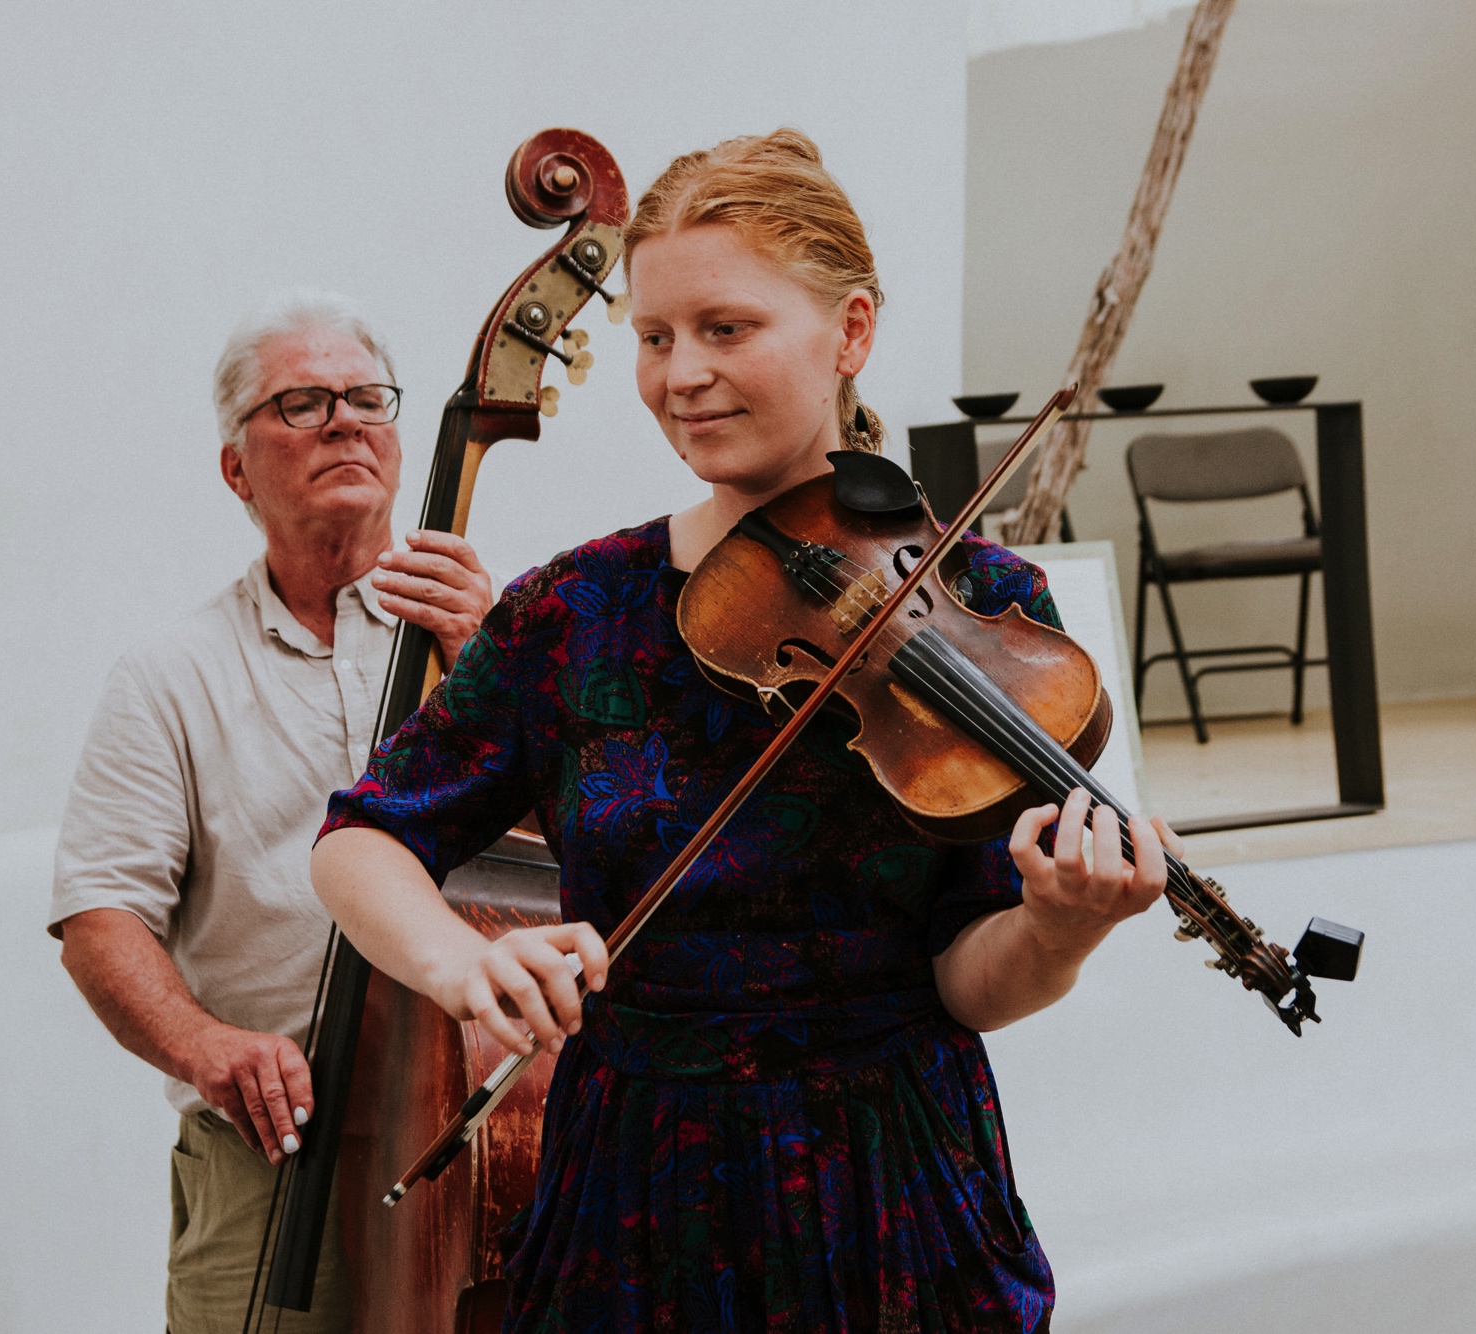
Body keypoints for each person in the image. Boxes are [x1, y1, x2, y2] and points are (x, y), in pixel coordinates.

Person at [310, 132, 1178, 1332]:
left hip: (890, 1188)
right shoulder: (576, 609)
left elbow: (967, 981)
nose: (681, 375)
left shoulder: (986, 607)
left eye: (726, 328)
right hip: (634, 1186)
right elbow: (360, 838)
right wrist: (461, 965)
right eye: (653, 337)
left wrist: (1058, 925)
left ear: (850, 332)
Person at [49, 291, 494, 1334]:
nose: (342, 420)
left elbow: (598, 839)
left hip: (474, 1129)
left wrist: (495, 666)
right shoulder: (168, 674)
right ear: (235, 468)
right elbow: (99, 917)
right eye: (299, 403)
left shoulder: (493, 634)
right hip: (271, 1147)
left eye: (364, 397)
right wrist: (208, 1045)